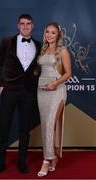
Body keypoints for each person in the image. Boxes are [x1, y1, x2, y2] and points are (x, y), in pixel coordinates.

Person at [0, 14, 41, 176]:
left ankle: (21, 161)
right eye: (22, 23)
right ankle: (0, 163)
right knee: (4, 126)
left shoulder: (38, 45)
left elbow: (38, 70)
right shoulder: (7, 42)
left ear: (32, 26)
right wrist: (0, 86)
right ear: (18, 26)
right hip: (9, 91)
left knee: (25, 129)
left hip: (28, 93)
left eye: (28, 23)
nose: (25, 26)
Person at [37, 22, 72, 177]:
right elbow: (39, 70)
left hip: (57, 90)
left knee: (50, 124)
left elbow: (68, 73)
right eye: (47, 32)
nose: (49, 35)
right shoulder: (43, 49)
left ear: (58, 35)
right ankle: (54, 156)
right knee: (45, 125)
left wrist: (55, 83)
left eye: (53, 32)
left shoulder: (62, 50)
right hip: (41, 90)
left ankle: (46, 159)